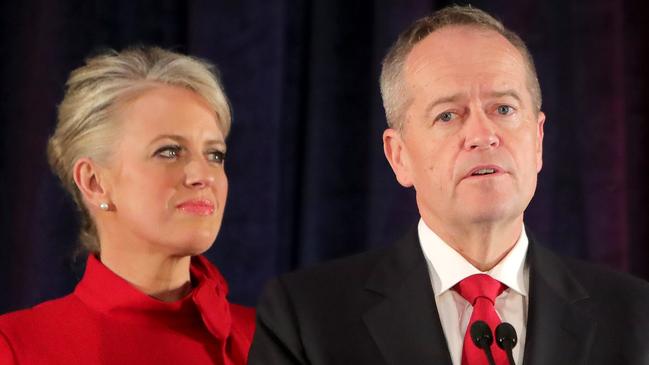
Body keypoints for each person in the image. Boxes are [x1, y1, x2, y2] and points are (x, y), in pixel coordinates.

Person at [249, 5, 649, 365]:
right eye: (448, 115)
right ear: (399, 155)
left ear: (539, 139)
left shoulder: (634, 316)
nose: (483, 134)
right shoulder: (306, 318)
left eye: (504, 109)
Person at [0, 47, 254, 364]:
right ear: (94, 182)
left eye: (214, 154)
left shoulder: (270, 340)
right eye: (170, 151)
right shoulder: (18, 347)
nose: (203, 175)